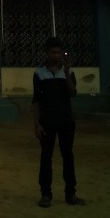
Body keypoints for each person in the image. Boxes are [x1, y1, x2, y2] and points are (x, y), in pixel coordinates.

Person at [31, 36, 85, 207]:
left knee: (68, 156)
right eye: (53, 52)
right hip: (47, 121)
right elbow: (36, 101)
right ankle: (46, 194)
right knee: (46, 157)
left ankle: (71, 193)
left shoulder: (68, 72)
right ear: (47, 53)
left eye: (59, 52)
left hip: (66, 121)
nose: (57, 55)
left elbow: (73, 93)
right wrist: (36, 124)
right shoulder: (39, 74)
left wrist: (67, 72)